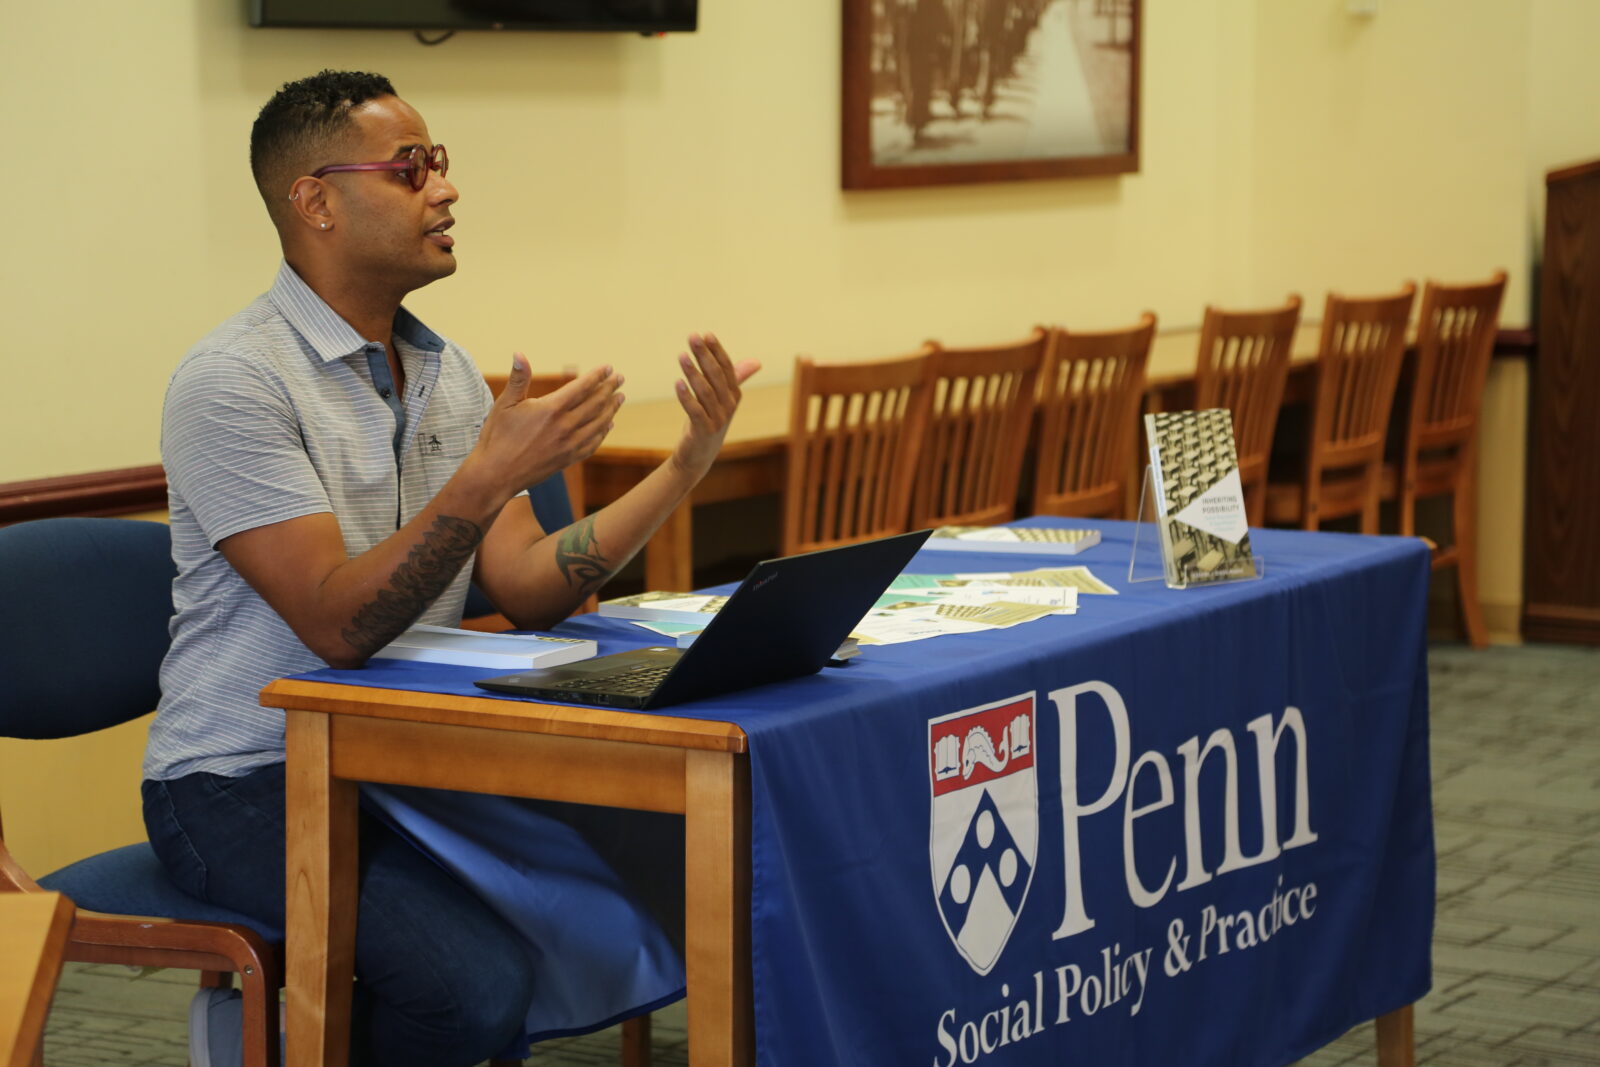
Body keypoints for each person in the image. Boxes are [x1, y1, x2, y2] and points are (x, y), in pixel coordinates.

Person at [141, 69, 758, 1067]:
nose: (446, 188)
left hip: (403, 749)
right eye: (410, 167)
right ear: (316, 201)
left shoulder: (444, 370)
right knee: (471, 985)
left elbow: (523, 582)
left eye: (441, 163)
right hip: (242, 775)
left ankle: (291, 1034)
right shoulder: (233, 383)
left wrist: (687, 463)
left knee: (650, 878)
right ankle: (277, 1038)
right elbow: (336, 629)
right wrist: (479, 480)